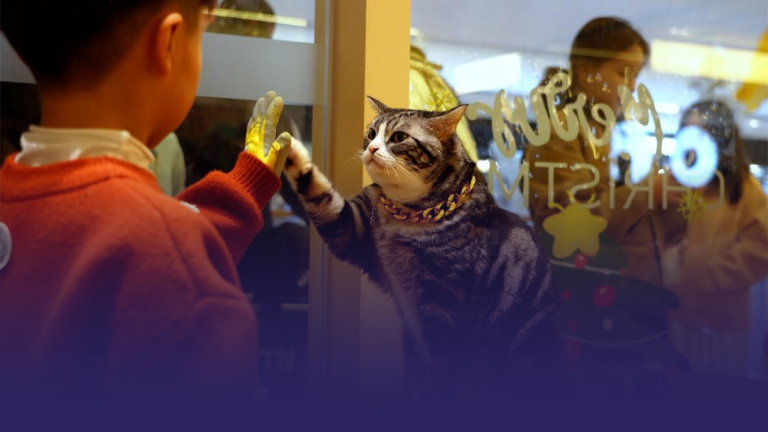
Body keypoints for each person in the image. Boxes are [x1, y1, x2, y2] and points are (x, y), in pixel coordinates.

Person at [0, 0, 292, 418]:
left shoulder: (14, 201)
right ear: (168, 41)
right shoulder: (165, 249)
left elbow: (106, 247)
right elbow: (156, 255)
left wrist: (238, 191)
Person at [664, 100, 768, 377]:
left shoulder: (746, 188)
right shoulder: (676, 181)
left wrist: (708, 275)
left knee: (721, 404)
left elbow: (760, 248)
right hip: (677, 314)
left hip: (724, 320)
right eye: (689, 131)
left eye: (704, 133)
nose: (695, 140)